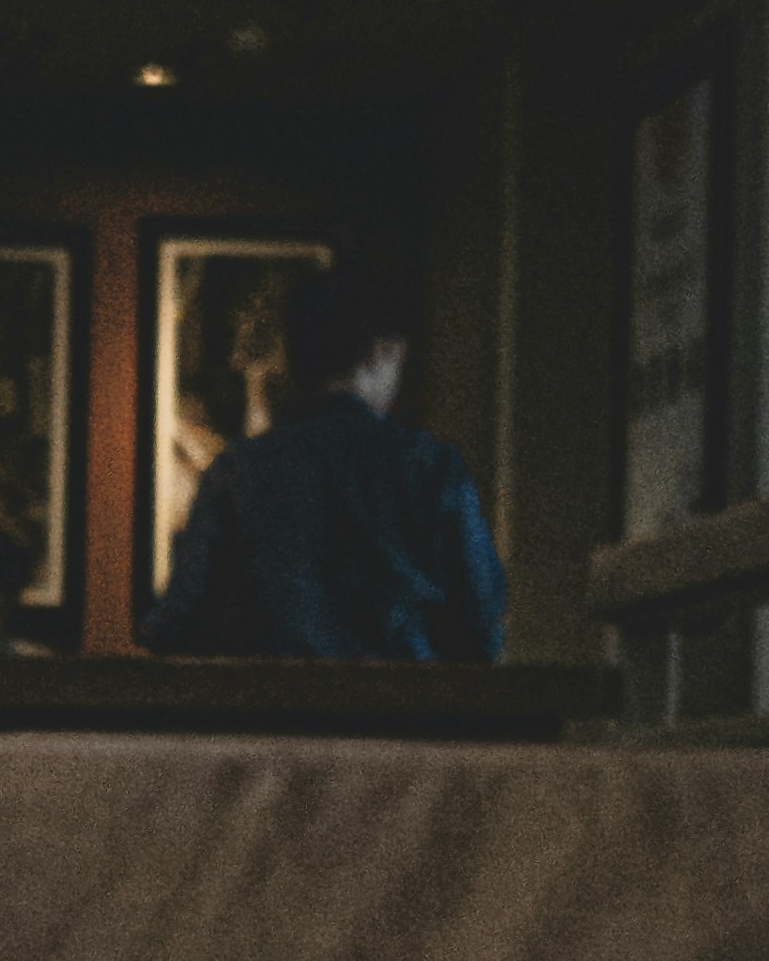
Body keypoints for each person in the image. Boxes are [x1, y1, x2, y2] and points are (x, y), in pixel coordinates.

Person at [149, 255, 507, 660]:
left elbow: (177, 625)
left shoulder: (238, 473)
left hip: (266, 715)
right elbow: (481, 622)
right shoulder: (430, 469)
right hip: (405, 715)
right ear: (381, 351)